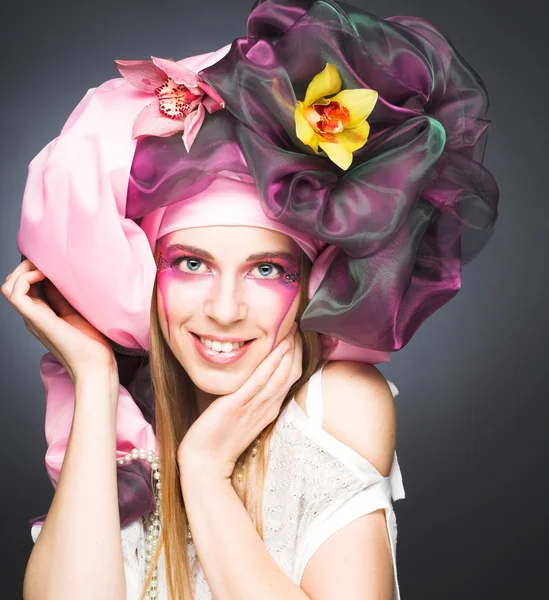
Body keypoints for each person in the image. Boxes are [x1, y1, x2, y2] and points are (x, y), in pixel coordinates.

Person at [3, 1, 498, 599]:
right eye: (191, 264)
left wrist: (206, 472)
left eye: (267, 269)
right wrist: (95, 375)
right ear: (145, 273)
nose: (225, 309)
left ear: (312, 281)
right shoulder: (128, 425)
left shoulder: (334, 409)